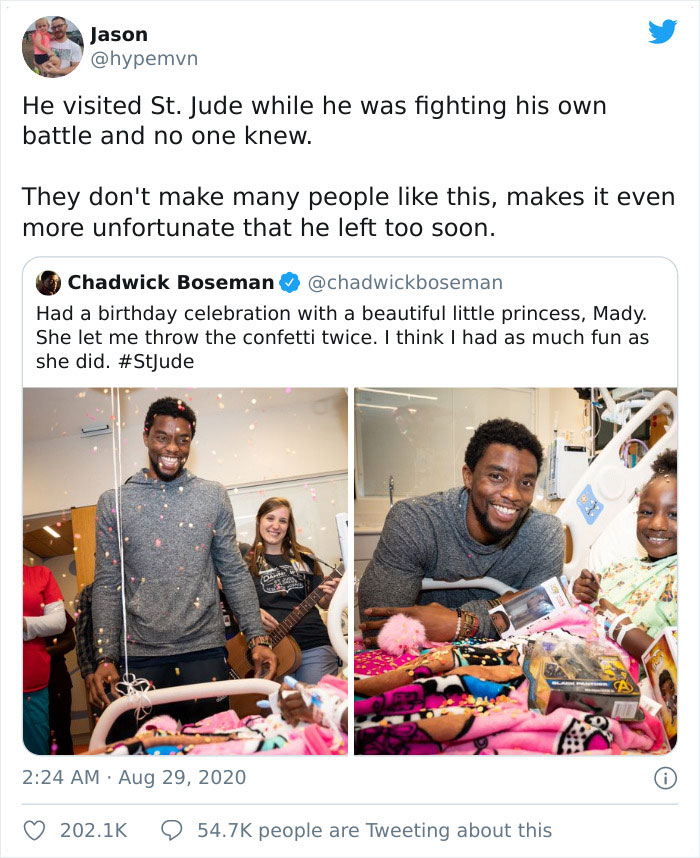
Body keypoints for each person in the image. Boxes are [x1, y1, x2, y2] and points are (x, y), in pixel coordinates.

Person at [92, 397, 277, 736]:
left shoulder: (212, 495)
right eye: (162, 437)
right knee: (146, 754)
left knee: (213, 747)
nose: (172, 448)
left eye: (182, 439)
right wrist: (105, 657)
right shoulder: (113, 502)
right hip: (140, 656)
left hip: (203, 651)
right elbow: (107, 584)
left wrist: (256, 637)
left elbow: (233, 572)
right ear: (146, 436)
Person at [359, 418, 565, 644]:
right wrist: (507, 606)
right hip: (417, 661)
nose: (513, 494)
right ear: (468, 476)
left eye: (526, 483)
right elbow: (378, 630)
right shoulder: (416, 522)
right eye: (497, 476)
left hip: (504, 664)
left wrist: (460, 623)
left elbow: (542, 617)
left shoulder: (545, 534)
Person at [572, 449, 677, 659]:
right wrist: (582, 591)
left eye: (675, 514)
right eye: (646, 512)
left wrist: (624, 631)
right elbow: (584, 609)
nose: (656, 524)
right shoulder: (619, 567)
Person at [247, 498, 340, 683]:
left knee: (317, 707)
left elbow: (323, 602)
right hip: (271, 651)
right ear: (259, 520)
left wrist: (330, 595)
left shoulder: (304, 557)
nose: (276, 525)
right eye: (270, 518)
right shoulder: (246, 563)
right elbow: (235, 602)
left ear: (289, 525)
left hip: (313, 644)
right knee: (278, 709)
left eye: (282, 520)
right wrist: (251, 613)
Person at [23, 564, 66, 754]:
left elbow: (58, 622)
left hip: (31, 684)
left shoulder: (40, 574)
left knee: (35, 751)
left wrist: (23, 624)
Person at [45, 616, 76, 754]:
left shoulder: (52, 607)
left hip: (56, 680)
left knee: (61, 734)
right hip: (25, 683)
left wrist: (40, 654)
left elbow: (70, 641)